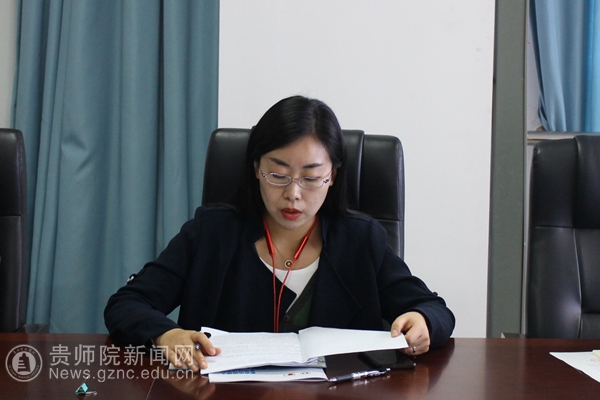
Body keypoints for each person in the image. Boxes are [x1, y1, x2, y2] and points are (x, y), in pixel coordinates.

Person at [104, 95, 455, 372]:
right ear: (256, 168)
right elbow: (126, 304)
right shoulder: (210, 234)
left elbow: (434, 309)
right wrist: (165, 333)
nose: (293, 194)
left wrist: (422, 321)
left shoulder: (362, 241)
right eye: (278, 175)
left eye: (311, 177)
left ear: (332, 176)